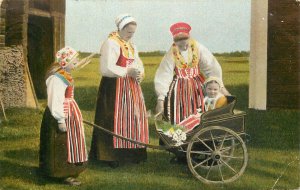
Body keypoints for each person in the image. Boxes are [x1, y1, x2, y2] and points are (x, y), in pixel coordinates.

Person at [154, 22, 230, 162]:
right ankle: (182, 153)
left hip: (197, 88)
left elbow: (211, 67)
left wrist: (220, 86)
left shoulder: (198, 48)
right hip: (178, 90)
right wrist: (161, 98)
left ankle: (204, 150)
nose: (183, 44)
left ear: (190, 37)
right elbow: (164, 75)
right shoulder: (171, 53)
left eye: (185, 40)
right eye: (179, 41)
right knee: (179, 117)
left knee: (201, 116)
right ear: (174, 41)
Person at [89, 14, 149, 168]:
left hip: (130, 86)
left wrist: (138, 72)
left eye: (133, 33)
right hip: (113, 86)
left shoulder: (131, 45)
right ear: (120, 29)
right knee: (113, 118)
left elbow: (138, 63)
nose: (131, 35)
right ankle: (110, 156)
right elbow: (106, 68)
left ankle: (132, 153)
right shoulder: (110, 43)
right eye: (129, 32)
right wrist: (127, 71)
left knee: (132, 118)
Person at [39, 46, 89, 186]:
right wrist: (61, 120)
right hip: (60, 114)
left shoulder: (65, 74)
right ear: (65, 63)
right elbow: (55, 100)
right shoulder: (57, 78)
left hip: (69, 112)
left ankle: (70, 170)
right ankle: (61, 173)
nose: (77, 62)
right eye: (74, 60)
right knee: (60, 144)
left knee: (70, 142)